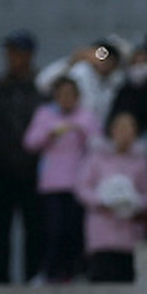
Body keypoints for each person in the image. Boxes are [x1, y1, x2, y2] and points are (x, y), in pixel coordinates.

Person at [0, 30, 47, 284]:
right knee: (0, 231)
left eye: (18, 52)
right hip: (0, 171)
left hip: (33, 172)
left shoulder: (42, 89)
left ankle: (33, 280)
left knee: (35, 231)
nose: (12, 57)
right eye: (10, 52)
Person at [21, 76, 99, 282]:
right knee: (52, 230)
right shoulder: (46, 115)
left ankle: (73, 272)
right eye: (61, 95)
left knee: (74, 232)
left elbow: (98, 144)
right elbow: (30, 143)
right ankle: (48, 271)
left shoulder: (86, 117)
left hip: (79, 185)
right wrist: (51, 132)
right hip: (51, 185)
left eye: (69, 95)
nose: (65, 99)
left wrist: (79, 129)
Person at [75, 110, 147, 283]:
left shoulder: (141, 161)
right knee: (101, 282)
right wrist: (103, 201)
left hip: (130, 236)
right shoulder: (96, 157)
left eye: (129, 128)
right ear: (112, 130)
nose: (124, 133)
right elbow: (82, 188)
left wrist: (134, 203)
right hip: (102, 235)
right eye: (121, 127)